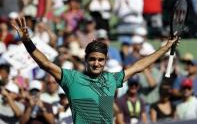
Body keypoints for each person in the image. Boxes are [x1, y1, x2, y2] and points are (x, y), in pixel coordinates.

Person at [11, 17, 177, 123]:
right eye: (92, 59)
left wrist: (165, 48)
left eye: (100, 60)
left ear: (105, 61)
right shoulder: (71, 78)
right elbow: (46, 64)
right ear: (85, 60)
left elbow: (139, 66)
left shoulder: (111, 79)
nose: (96, 63)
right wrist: (27, 41)